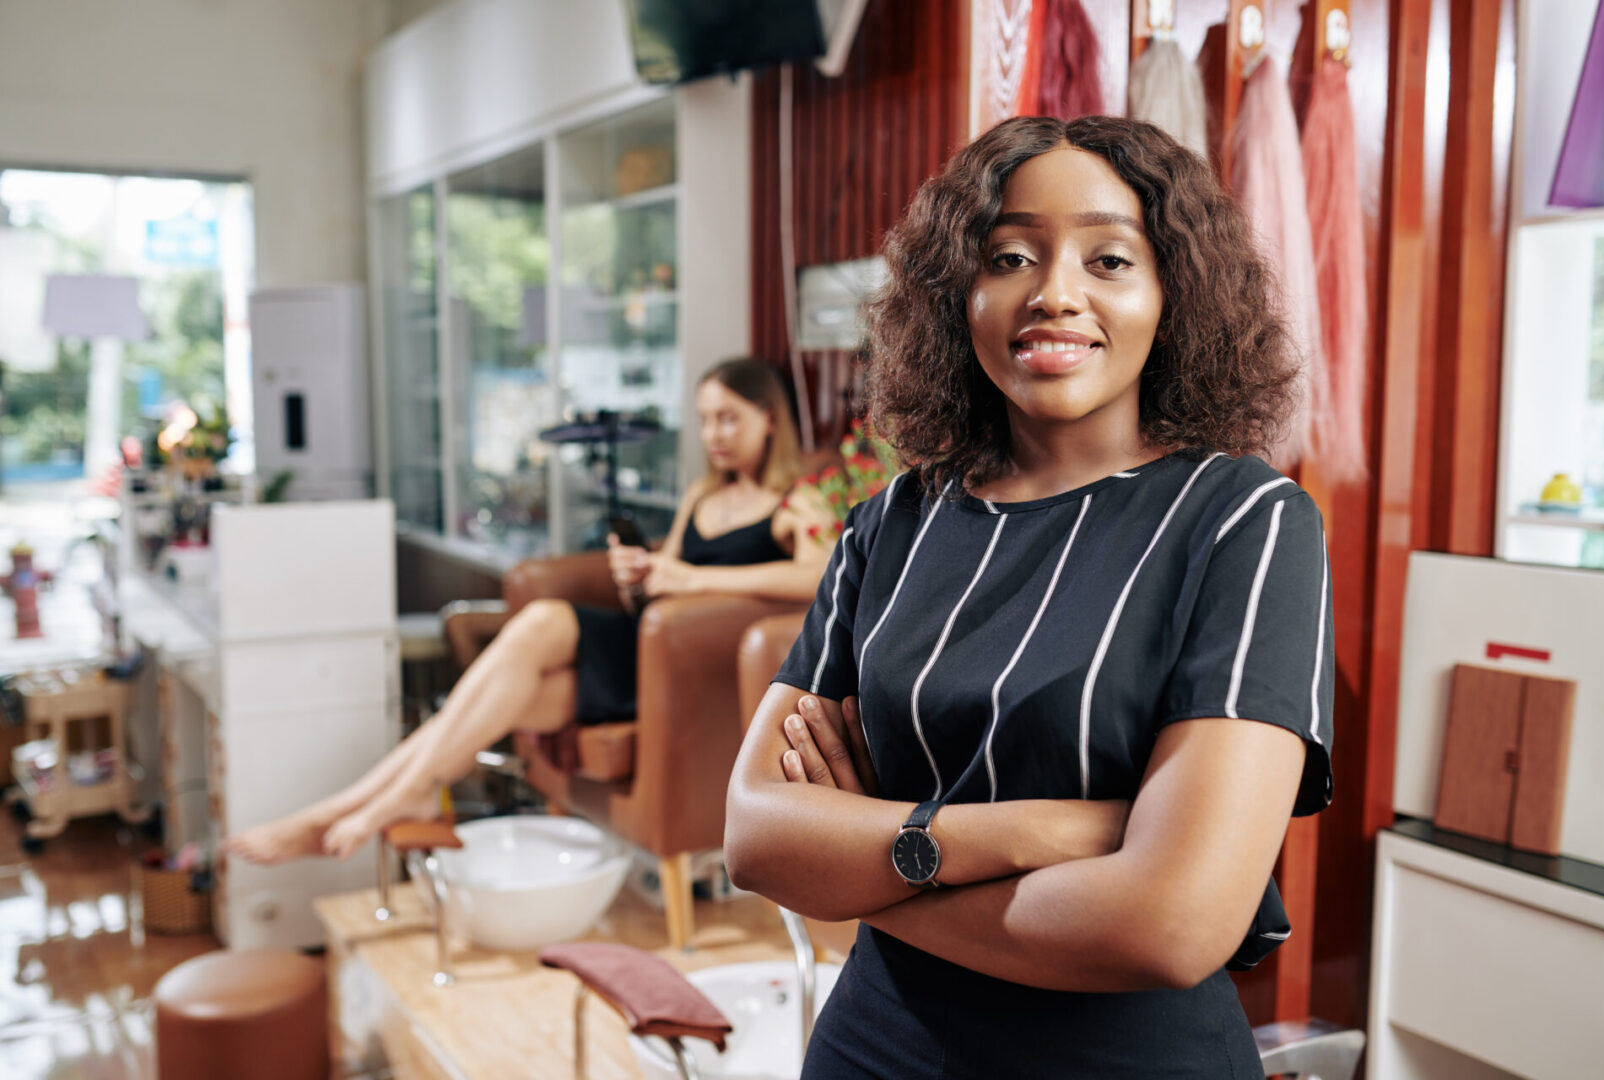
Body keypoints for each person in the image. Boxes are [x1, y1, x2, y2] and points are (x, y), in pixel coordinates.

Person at [724, 115, 1334, 1079]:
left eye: (1109, 260)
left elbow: (1172, 925)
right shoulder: (892, 522)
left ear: (1173, 295)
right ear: (956, 294)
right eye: (1008, 254)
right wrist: (1029, 832)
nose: (1054, 294)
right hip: (872, 1048)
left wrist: (865, 872)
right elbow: (755, 836)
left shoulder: (1246, 523)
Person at [227, 358, 835, 864]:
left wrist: (692, 577)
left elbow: (818, 572)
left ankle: (379, 799)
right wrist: (640, 578)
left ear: (769, 419)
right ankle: (360, 804)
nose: (715, 435)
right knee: (480, 711)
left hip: (674, 670)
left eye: (729, 418)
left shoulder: (794, 499)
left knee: (543, 620)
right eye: (705, 420)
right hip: (643, 643)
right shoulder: (704, 494)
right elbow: (660, 591)